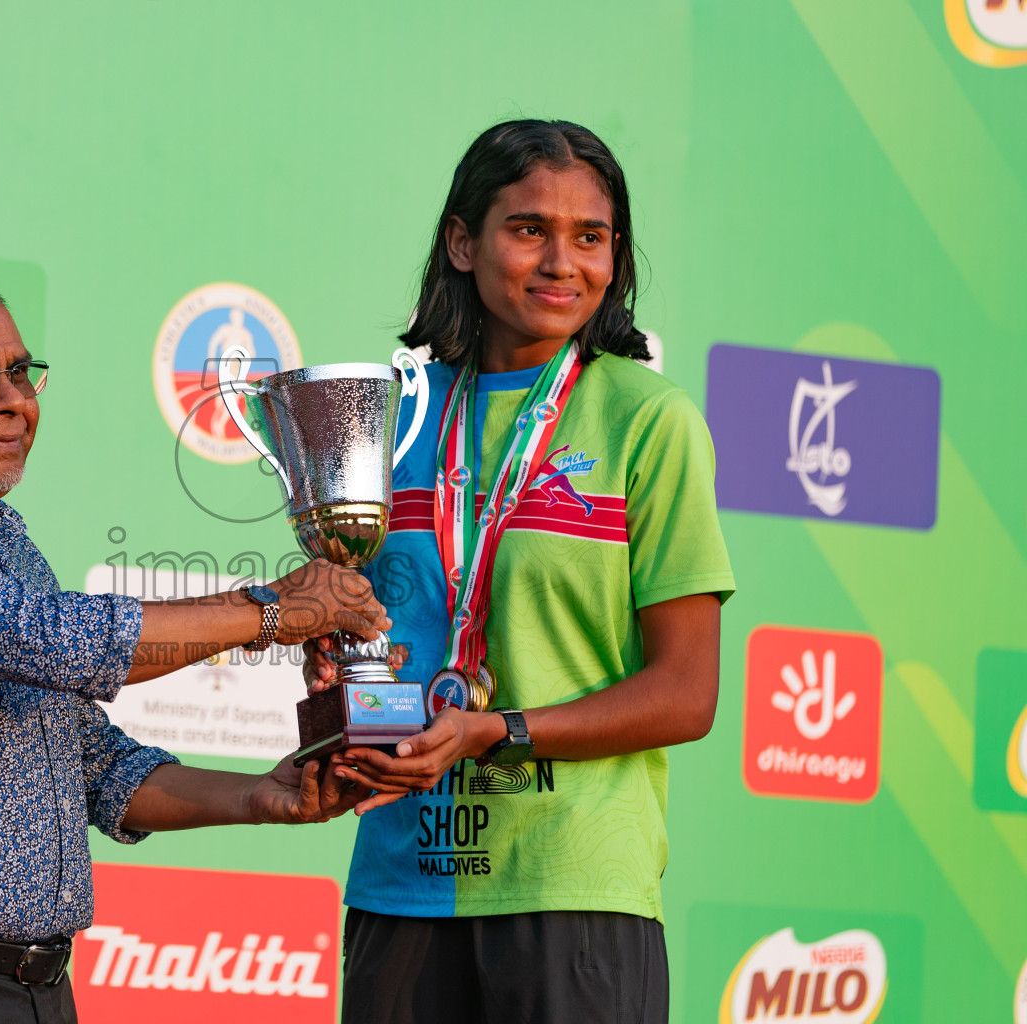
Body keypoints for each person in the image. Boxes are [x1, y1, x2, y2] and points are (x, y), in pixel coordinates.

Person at [0, 272, 389, 1024]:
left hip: (36, 990)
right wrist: (269, 610)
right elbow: (53, 641)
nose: (13, 400)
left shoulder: (9, 547)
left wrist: (264, 795)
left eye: (20, 372)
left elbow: (97, 766)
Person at [306, 120, 736, 1023]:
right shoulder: (394, 417)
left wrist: (494, 729)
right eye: (528, 228)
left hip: (574, 882)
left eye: (591, 237)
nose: (560, 262)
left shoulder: (647, 421)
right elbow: (365, 633)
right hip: (403, 880)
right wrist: (335, 678)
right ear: (463, 241)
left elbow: (686, 692)